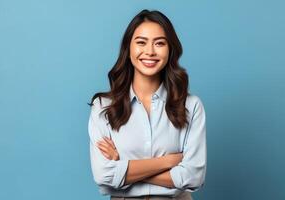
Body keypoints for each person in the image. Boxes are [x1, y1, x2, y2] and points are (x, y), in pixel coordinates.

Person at [88, 9, 206, 200]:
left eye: (159, 43)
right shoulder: (103, 107)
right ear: (128, 48)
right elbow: (104, 176)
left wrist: (123, 165)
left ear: (170, 49)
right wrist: (169, 161)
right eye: (141, 42)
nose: (150, 51)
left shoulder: (191, 106)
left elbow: (192, 177)